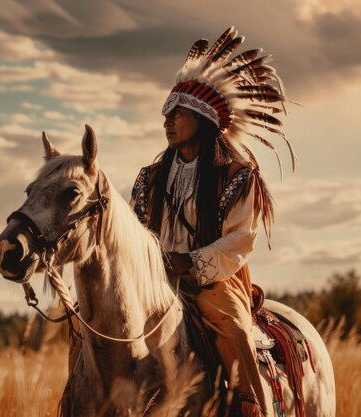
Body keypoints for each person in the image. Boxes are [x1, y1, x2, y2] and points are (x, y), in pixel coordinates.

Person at [130, 27, 294, 417]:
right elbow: (134, 233)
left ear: (202, 119)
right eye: (165, 114)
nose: (167, 121)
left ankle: (252, 405)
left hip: (215, 281)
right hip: (153, 280)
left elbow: (240, 239)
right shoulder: (149, 178)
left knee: (231, 324)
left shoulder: (236, 174)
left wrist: (188, 262)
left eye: (178, 113)